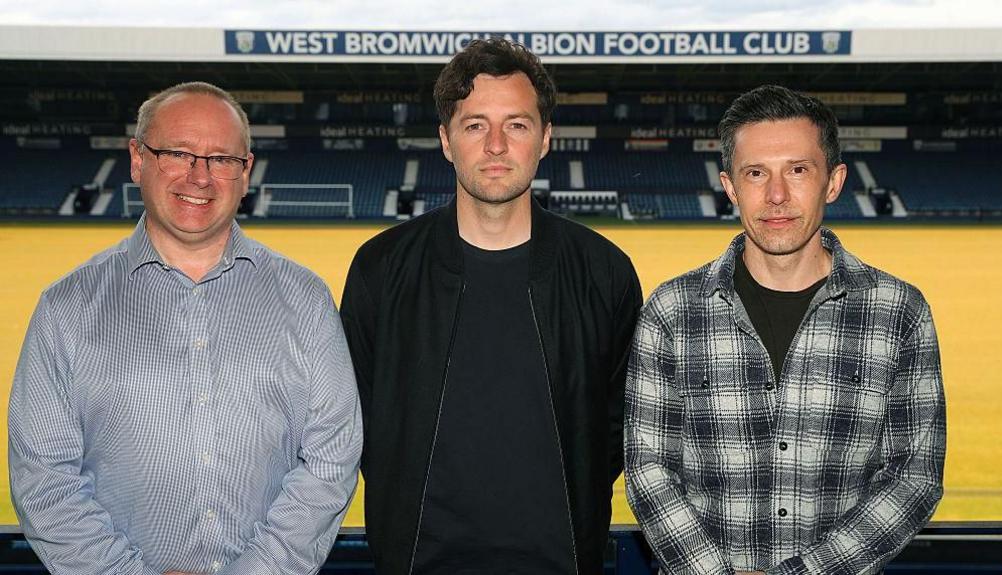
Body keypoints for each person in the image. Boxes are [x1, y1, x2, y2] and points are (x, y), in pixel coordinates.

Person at [9, 81, 362, 575]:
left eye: (222, 159)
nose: (200, 177)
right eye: (177, 153)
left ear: (246, 173)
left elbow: (331, 458)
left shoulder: (305, 299)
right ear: (137, 160)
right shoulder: (66, 309)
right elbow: (44, 478)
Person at [340, 38, 642, 574]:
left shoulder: (604, 273)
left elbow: (623, 429)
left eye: (517, 125)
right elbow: (353, 421)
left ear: (545, 139)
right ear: (446, 140)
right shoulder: (380, 270)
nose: (496, 145)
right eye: (475, 125)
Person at [624, 85, 945, 575]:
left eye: (797, 170)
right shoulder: (671, 311)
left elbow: (914, 477)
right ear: (731, 187)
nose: (776, 196)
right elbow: (648, 470)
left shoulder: (899, 311)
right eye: (756, 173)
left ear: (833, 182)